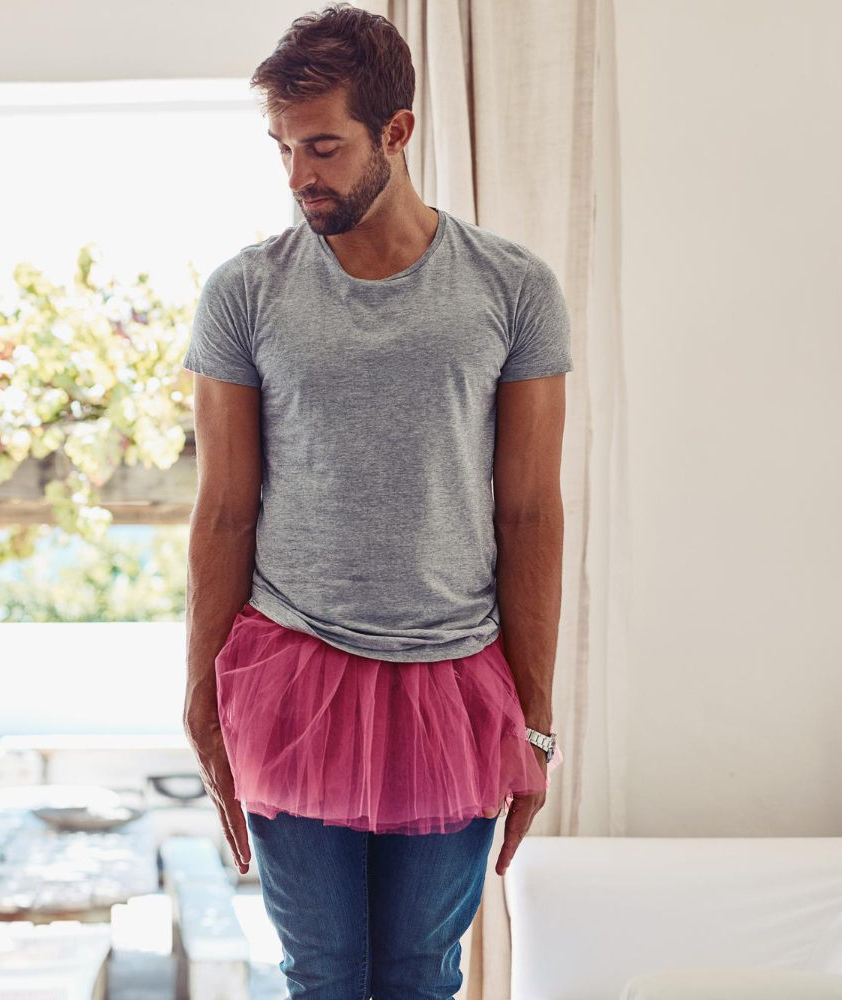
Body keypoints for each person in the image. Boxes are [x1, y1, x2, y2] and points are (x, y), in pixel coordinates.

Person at [182, 5, 570, 998]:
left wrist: (533, 713)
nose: (299, 173)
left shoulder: (515, 287)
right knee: (324, 973)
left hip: (454, 686)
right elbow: (224, 509)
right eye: (282, 147)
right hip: (291, 672)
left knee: (418, 973)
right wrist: (200, 698)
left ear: (395, 131)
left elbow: (529, 508)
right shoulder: (245, 292)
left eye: (323, 145)